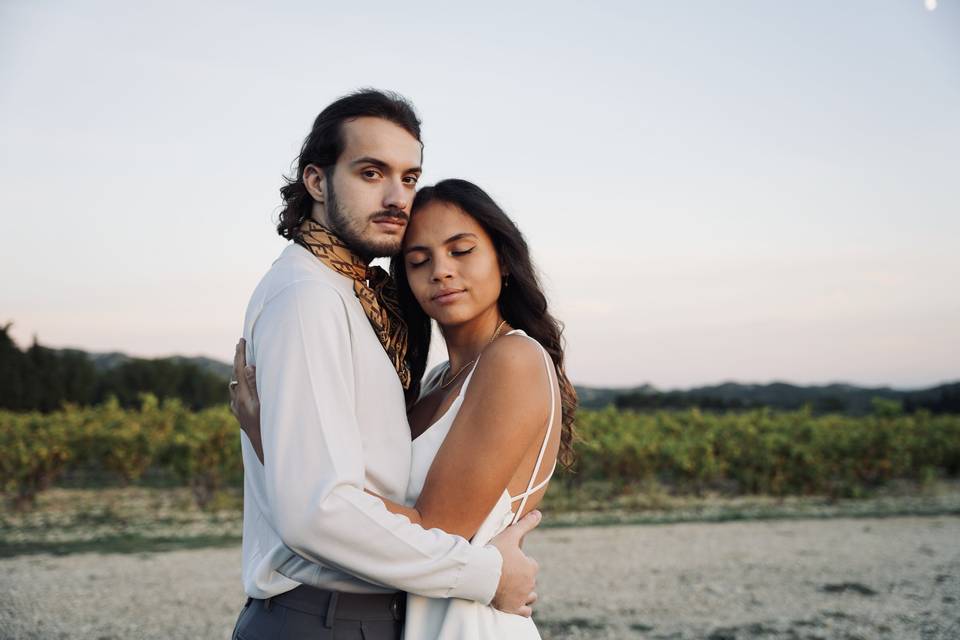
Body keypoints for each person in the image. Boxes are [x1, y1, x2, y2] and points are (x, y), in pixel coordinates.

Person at [228, 90, 542, 640]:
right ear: (317, 181)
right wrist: (489, 575)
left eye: (409, 177)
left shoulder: (353, 301)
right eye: (371, 173)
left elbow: (341, 485)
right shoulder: (310, 297)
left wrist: (271, 444)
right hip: (324, 616)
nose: (398, 196)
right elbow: (317, 508)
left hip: (368, 615)